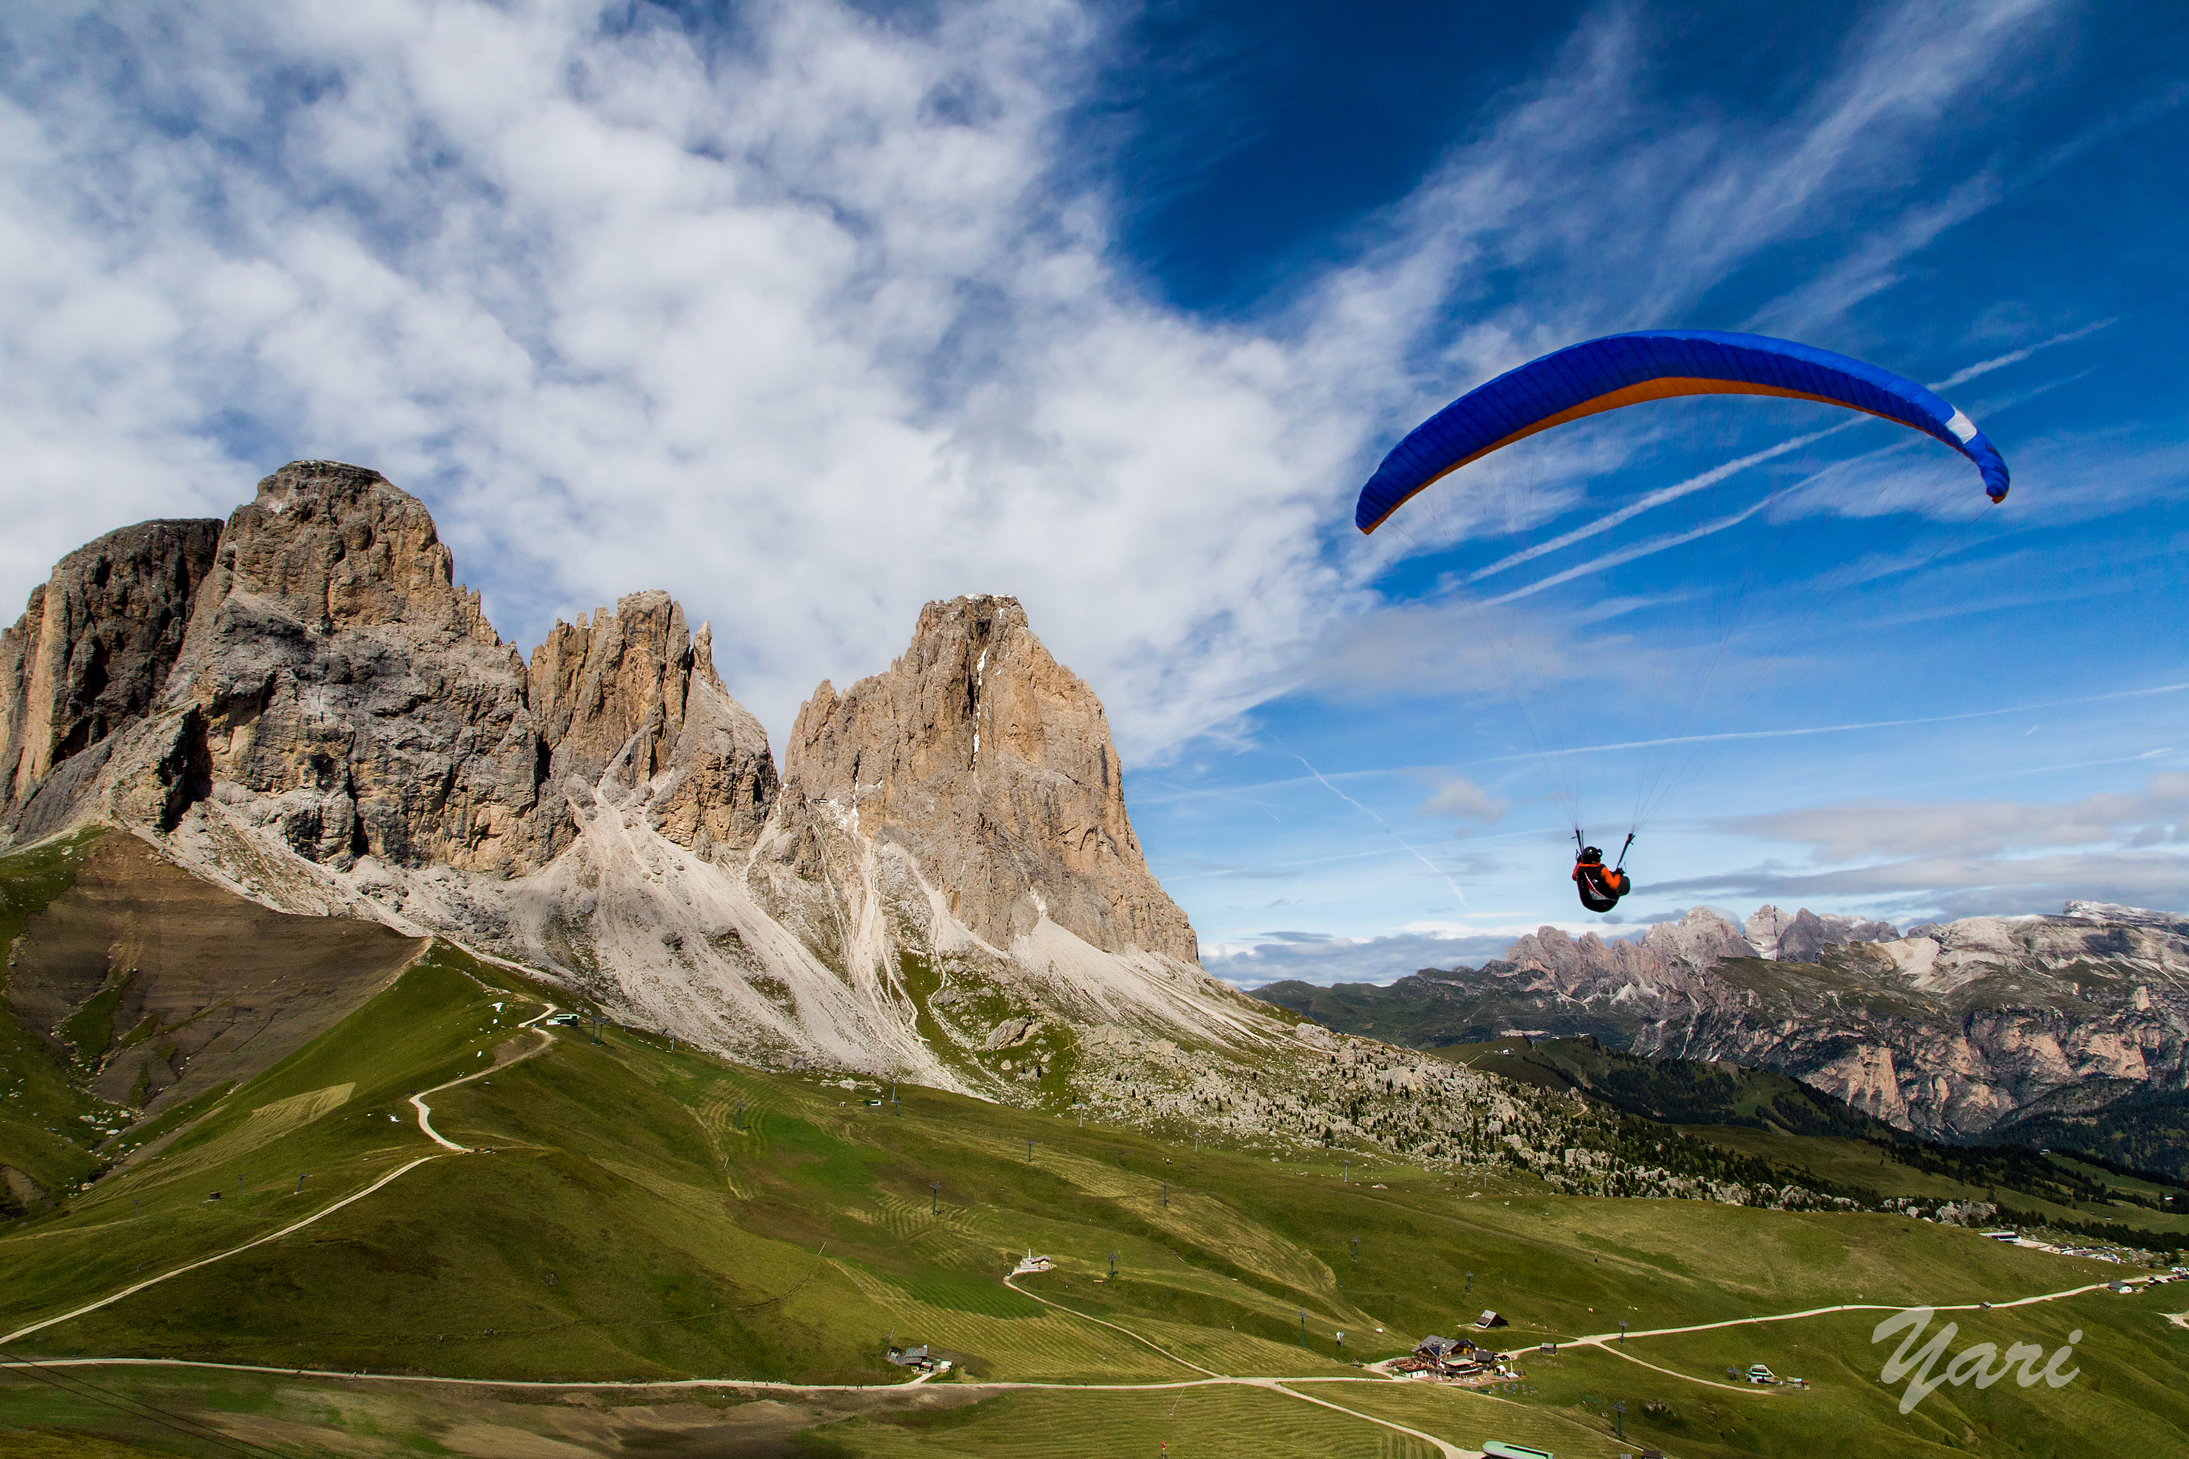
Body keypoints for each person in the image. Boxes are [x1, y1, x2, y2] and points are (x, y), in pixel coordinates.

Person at [1572, 845, 1629, 913]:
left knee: (1607, 876)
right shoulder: (1602, 869)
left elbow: (1574, 877)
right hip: (1606, 904)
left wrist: (1578, 863)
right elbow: (1613, 886)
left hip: (1588, 904)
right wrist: (1618, 874)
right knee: (1624, 881)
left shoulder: (1579, 869)